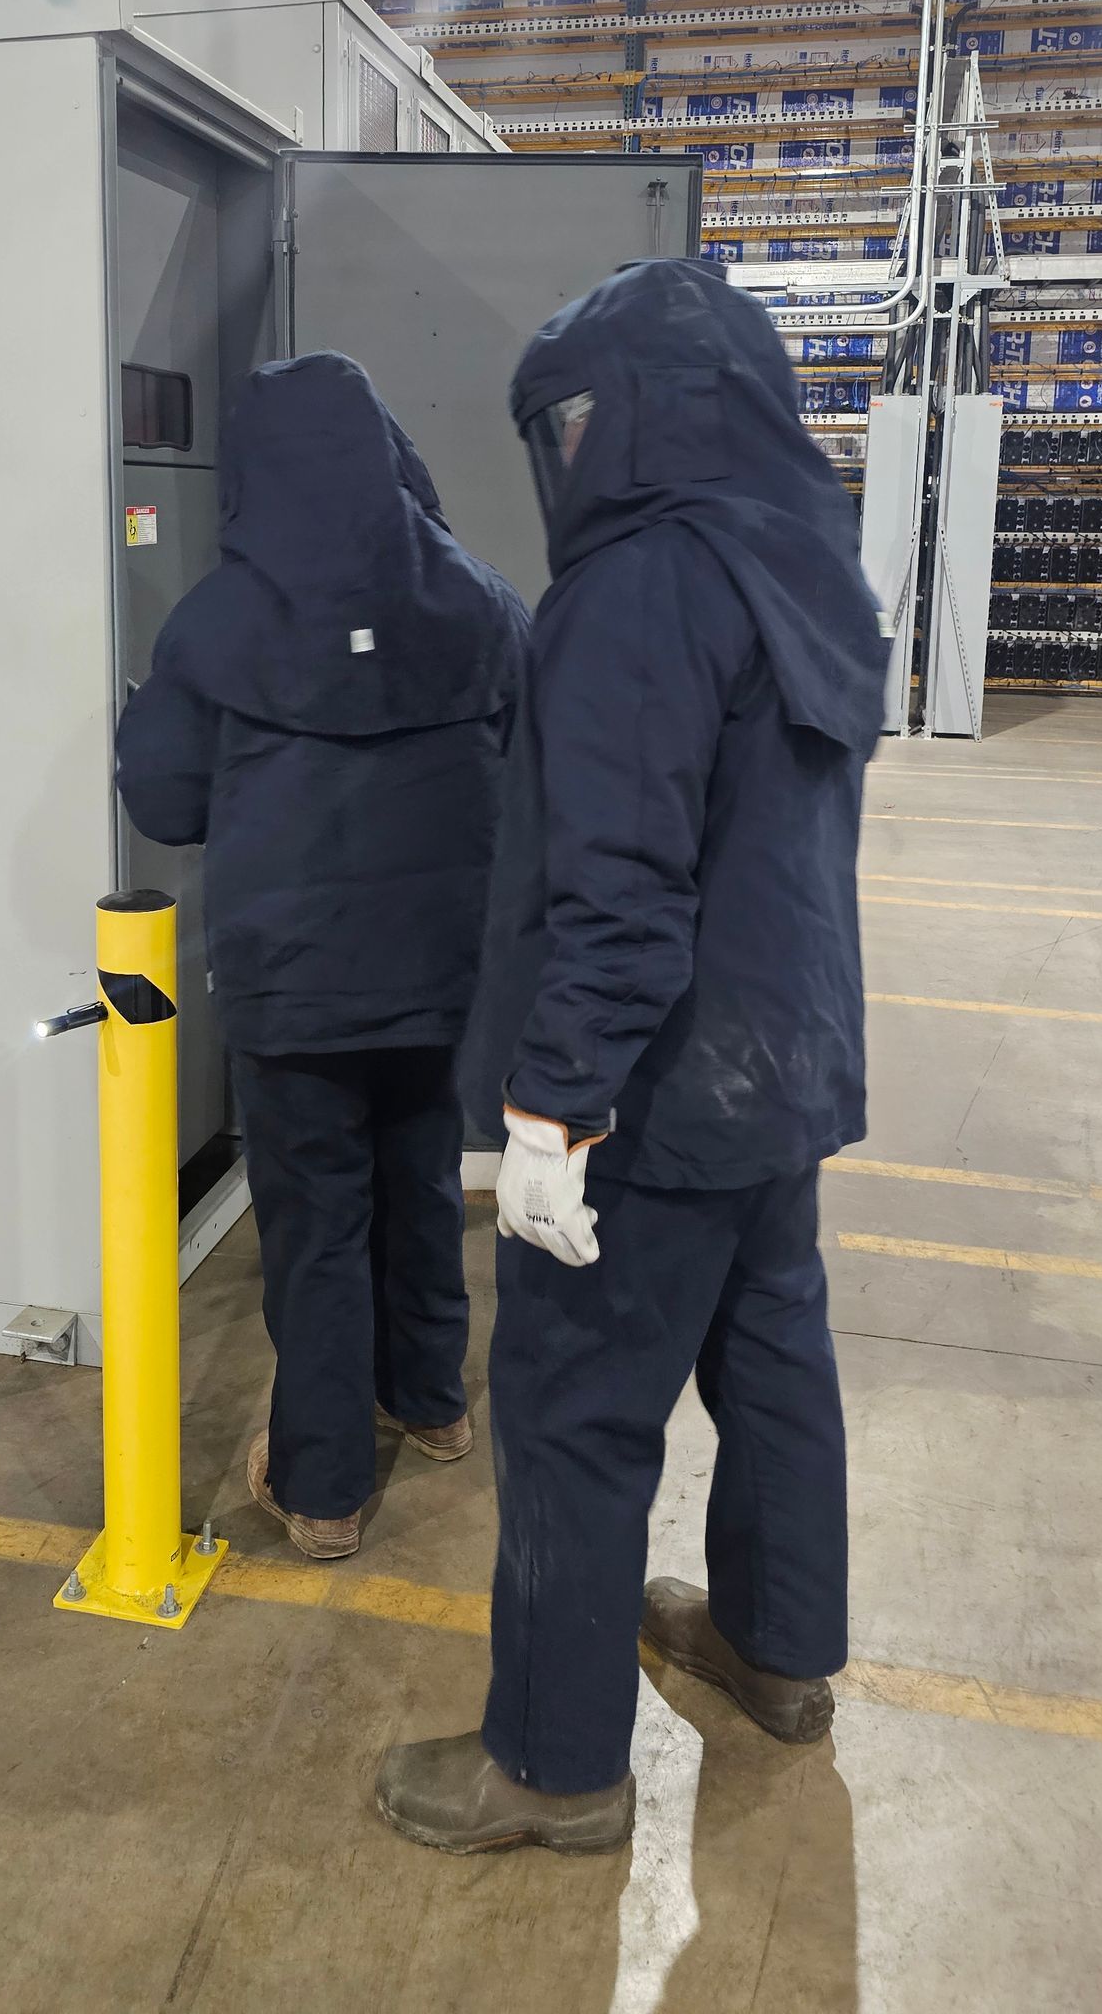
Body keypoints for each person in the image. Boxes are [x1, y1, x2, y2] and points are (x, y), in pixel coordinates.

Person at [375, 257, 886, 1853]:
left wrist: (550, 1108)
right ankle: (779, 1652)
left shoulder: (640, 588)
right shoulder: (803, 559)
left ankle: (552, 1760)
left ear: (651, 417)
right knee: (776, 1368)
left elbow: (619, 888)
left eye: (586, 420)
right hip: (778, 1070)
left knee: (575, 1412)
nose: (569, 455)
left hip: (653, 1098)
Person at [115, 352, 529, 1562]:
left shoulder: (220, 619)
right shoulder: (480, 598)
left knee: (314, 1226)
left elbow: (168, 800)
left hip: (292, 989)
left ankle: (325, 1482)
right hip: (442, 975)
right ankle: (436, 1402)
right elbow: (532, 761)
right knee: (421, 1182)